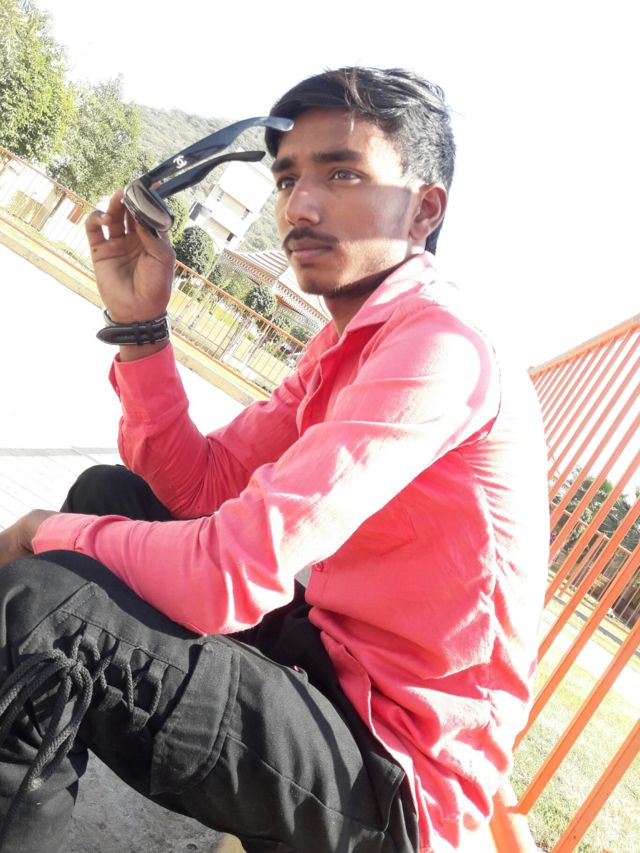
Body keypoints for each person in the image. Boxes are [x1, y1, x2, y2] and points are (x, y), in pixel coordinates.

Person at [0, 67, 550, 853]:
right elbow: (194, 487)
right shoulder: (348, 345)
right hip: (324, 661)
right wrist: (141, 327)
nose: (300, 205)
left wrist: (41, 532)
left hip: (392, 775)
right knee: (107, 495)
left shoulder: (442, 351)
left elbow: (226, 572)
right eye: (288, 178)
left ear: (425, 209)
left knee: (43, 614)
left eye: (343, 173)